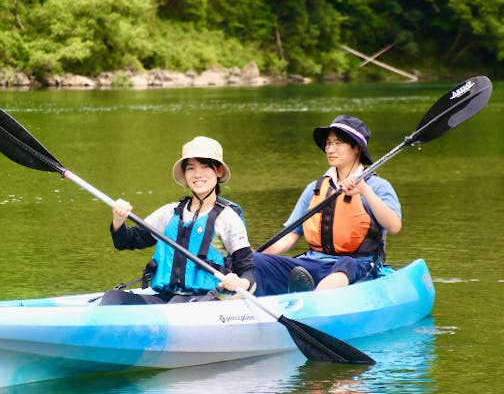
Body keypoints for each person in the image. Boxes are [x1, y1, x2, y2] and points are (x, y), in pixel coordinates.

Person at [254, 115, 402, 294]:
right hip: (314, 262)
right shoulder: (315, 188)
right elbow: (291, 235)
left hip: (358, 264)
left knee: (345, 264)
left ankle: (314, 300)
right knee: (257, 262)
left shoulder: (376, 186)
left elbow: (394, 226)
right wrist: (256, 256)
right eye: (328, 143)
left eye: (338, 143)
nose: (330, 149)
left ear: (356, 148)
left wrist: (364, 191)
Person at [100, 136, 255, 305]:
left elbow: (248, 272)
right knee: (113, 298)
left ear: (218, 171)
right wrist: (118, 220)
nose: (197, 174)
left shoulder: (227, 218)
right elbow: (125, 241)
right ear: (185, 173)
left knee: (177, 301)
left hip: (209, 299)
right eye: (190, 168)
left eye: (205, 167)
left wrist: (238, 282)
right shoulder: (169, 213)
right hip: (167, 297)